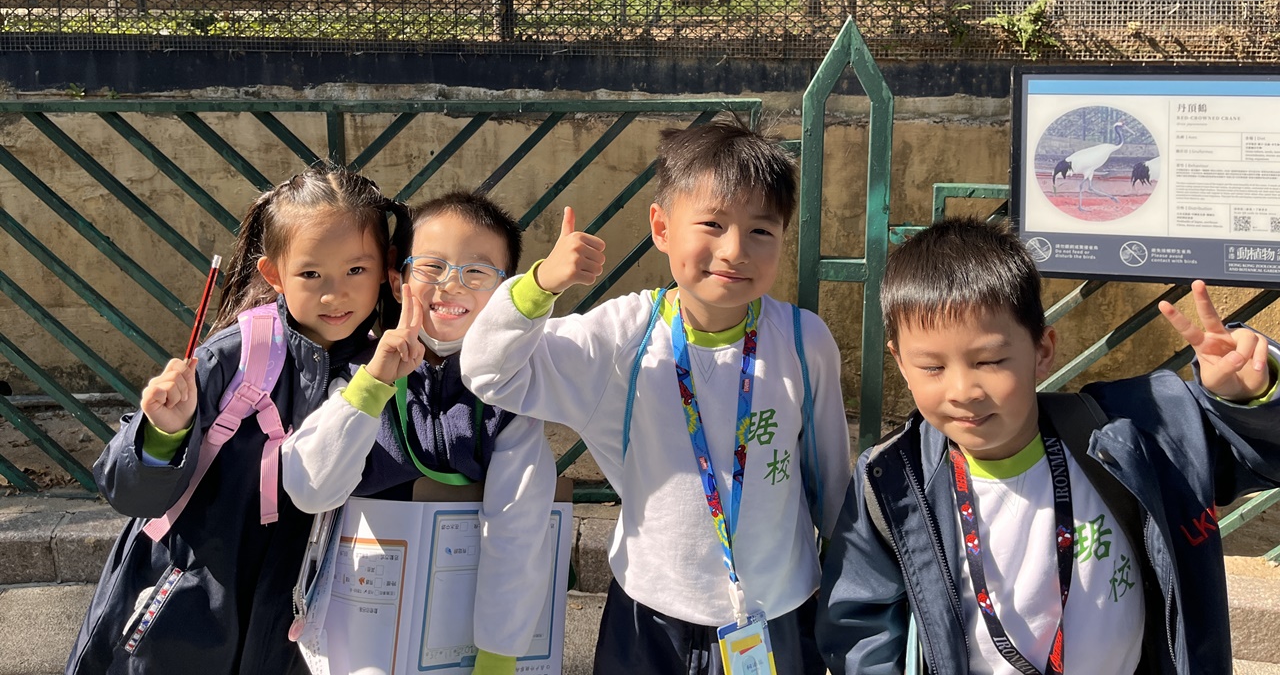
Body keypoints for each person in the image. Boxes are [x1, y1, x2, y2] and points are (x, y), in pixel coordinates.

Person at [460, 120, 852, 675]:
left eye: (761, 230)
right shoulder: (622, 338)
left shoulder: (803, 340)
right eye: (712, 224)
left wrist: (849, 601)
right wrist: (541, 284)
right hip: (649, 616)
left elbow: (830, 482)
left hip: (777, 615)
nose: (735, 250)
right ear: (662, 228)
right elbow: (488, 372)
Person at [816, 216, 1280, 675]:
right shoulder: (895, 479)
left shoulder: (1135, 433)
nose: (963, 391)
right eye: (932, 368)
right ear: (900, 362)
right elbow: (859, 624)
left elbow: (1260, 454)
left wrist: (1249, 396)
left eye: (990, 361)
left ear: (1042, 351)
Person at [66, 163, 408, 675]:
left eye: (356, 270)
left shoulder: (387, 371)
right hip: (185, 610)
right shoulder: (232, 357)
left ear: (385, 268)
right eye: (311, 274)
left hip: (300, 628)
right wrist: (162, 433)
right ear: (274, 274)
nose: (334, 294)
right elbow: (129, 493)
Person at [281, 190, 557, 675]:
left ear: (506, 293)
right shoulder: (356, 373)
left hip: (459, 637)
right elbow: (309, 489)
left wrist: (499, 653)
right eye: (432, 267)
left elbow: (520, 527)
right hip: (357, 631)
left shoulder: (510, 398)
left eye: (477, 272)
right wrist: (374, 384)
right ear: (397, 280)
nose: (451, 285)